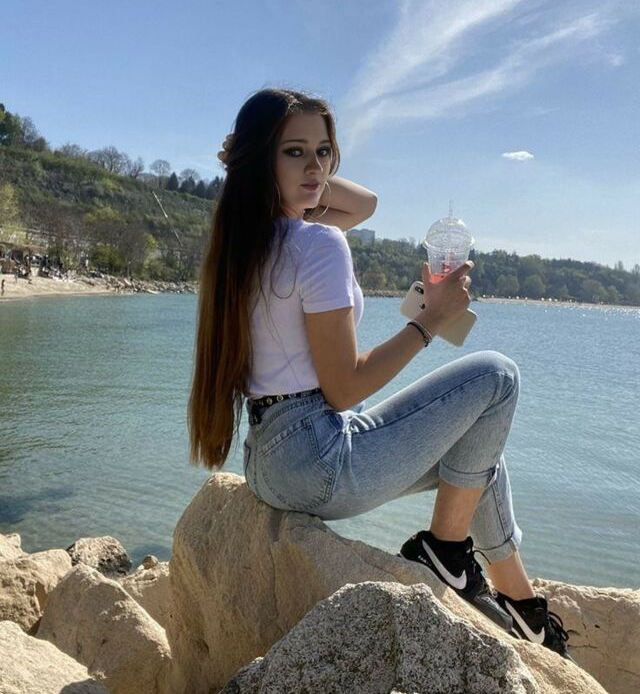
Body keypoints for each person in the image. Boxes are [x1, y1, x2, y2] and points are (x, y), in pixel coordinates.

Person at [187, 87, 570, 659]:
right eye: (294, 151)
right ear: (261, 159)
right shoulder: (317, 244)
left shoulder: (245, 239)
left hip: (269, 457)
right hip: (318, 458)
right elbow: (343, 389)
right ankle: (446, 551)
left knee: (475, 445)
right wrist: (431, 320)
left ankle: (523, 607)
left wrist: (275, 166)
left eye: (323, 151)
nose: (316, 168)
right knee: (497, 378)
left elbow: (365, 204)